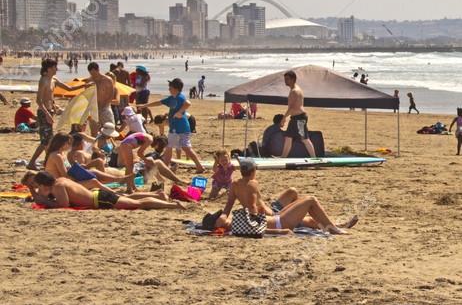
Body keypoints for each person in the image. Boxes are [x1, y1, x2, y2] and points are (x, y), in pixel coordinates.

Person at [217, 160, 356, 234]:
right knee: (310, 201)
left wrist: (223, 216)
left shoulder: (235, 185)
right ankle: (334, 228)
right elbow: (254, 213)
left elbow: (228, 207)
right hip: (276, 220)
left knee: (300, 199)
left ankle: (334, 226)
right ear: (253, 171)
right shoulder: (252, 184)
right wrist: (280, 231)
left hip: (274, 217)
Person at [139, 78, 204, 172]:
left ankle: (199, 166)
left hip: (181, 127)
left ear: (176, 88)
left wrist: (180, 112)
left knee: (185, 148)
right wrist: (145, 105)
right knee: (170, 148)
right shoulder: (171, 98)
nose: (169, 89)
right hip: (174, 128)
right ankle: (165, 167)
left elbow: (188, 103)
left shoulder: (180, 97)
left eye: (170, 87)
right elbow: (159, 102)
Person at [31, 171, 189, 210]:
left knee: (137, 204)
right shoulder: (60, 180)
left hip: (99, 199)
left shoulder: (58, 187)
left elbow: (63, 205)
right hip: (97, 196)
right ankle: (157, 195)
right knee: (127, 197)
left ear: (45, 184)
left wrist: (44, 201)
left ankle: (173, 205)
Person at [278, 70, 315, 159]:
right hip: (295, 118)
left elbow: (292, 107)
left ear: (293, 79)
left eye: (287, 79)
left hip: (300, 118)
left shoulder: (295, 91)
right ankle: (283, 156)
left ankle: (314, 157)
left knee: (304, 138)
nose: (285, 81)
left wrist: (283, 118)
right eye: (285, 79)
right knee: (288, 137)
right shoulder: (294, 89)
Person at [82, 61, 117, 135]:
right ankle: (95, 144)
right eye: (91, 74)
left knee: (109, 128)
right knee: (94, 130)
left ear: (98, 70)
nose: (93, 75)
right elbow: (86, 95)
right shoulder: (89, 80)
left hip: (105, 107)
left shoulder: (107, 80)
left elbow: (111, 94)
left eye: (94, 73)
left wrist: (105, 104)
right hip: (93, 108)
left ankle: (107, 144)